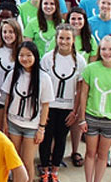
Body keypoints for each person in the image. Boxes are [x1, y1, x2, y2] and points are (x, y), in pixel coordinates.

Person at [77, 36, 111, 182]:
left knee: (102, 154)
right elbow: (83, 94)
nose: (107, 52)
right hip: (91, 117)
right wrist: (82, 118)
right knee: (90, 152)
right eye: (104, 49)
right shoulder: (90, 69)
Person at [39, 24, 87, 181]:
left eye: (68, 38)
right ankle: (44, 169)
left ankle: (55, 170)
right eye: (61, 38)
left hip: (67, 108)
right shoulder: (47, 58)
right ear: (56, 38)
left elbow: (80, 90)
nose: (64, 42)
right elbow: (42, 86)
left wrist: (75, 111)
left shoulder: (80, 61)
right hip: (49, 106)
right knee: (46, 139)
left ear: (73, 40)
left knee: (60, 139)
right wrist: (41, 110)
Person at [2, 41, 54, 181]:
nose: (25, 59)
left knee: (27, 161)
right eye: (21, 55)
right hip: (14, 123)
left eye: (28, 55)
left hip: (32, 126)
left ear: (36, 56)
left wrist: (41, 129)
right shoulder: (14, 74)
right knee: (14, 160)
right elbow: (8, 98)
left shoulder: (44, 78)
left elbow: (46, 106)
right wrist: (5, 122)